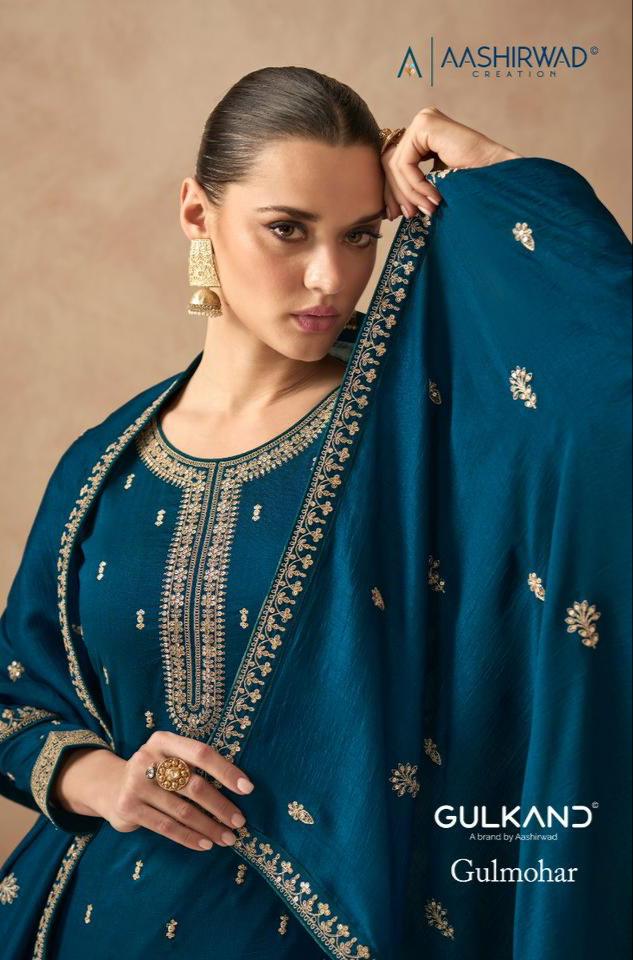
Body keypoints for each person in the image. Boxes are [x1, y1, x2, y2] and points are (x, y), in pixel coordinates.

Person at [0, 65, 630, 960]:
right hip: (97, 923)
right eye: (287, 230)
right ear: (197, 214)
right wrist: (98, 781)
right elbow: (16, 692)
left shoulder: (418, 430)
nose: (331, 277)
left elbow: (610, 411)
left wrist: (498, 172)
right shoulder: (106, 464)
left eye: (360, 235)